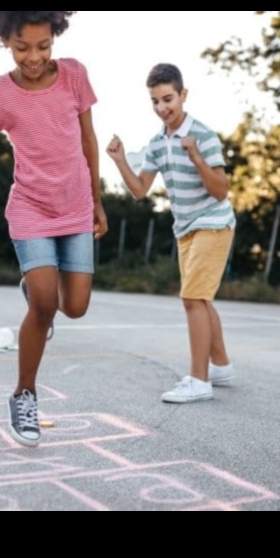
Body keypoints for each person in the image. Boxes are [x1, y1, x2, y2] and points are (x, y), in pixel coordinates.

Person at [0, 11, 108, 447]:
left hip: (76, 206)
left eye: (43, 46)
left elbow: (89, 140)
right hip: (30, 208)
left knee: (76, 306)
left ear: (55, 37)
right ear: (5, 40)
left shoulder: (74, 76)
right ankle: (24, 394)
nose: (33, 57)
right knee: (46, 303)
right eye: (22, 47)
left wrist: (98, 199)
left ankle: (37, 295)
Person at [106, 63, 236, 404]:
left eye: (168, 99)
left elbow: (221, 190)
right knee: (201, 298)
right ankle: (220, 365)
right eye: (155, 101)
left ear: (183, 95)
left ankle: (199, 380)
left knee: (191, 298)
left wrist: (195, 156)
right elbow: (139, 190)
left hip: (213, 222)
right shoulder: (156, 143)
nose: (162, 108)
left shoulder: (204, 136)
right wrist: (120, 161)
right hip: (185, 229)